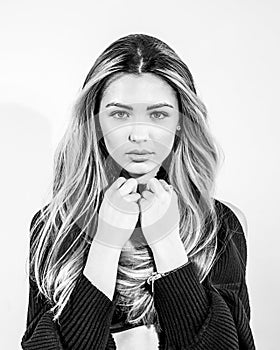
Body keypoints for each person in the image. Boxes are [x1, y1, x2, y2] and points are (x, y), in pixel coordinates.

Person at [21, 33, 256, 349]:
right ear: (95, 122)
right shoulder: (54, 226)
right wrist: (106, 242)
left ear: (180, 122)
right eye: (120, 114)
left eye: (158, 114)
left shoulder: (220, 225)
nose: (139, 134)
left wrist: (166, 241)